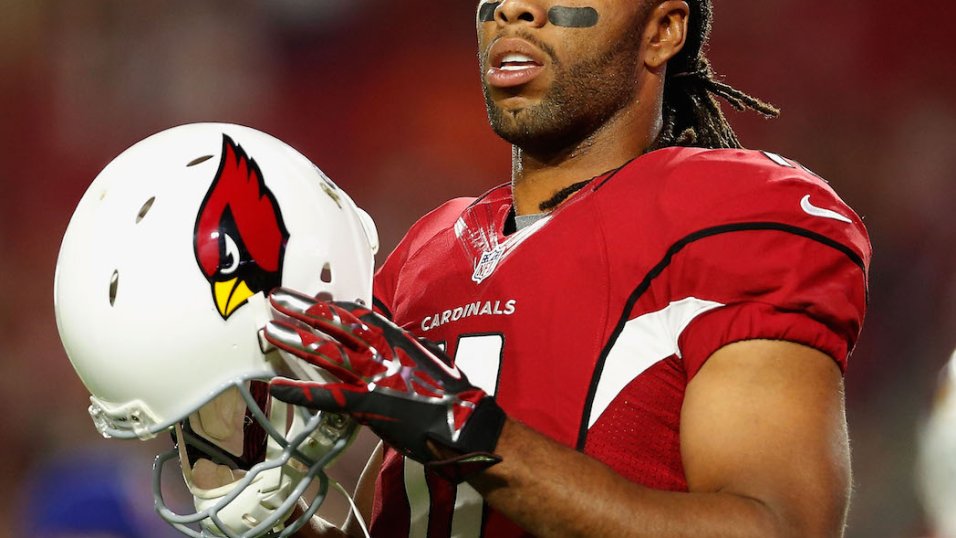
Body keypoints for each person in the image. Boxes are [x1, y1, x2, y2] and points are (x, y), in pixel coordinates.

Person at [262, 0, 872, 537]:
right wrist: (259, 505)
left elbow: (775, 526)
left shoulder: (735, 214)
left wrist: (460, 427)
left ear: (662, 30)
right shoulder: (430, 248)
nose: (513, 9)